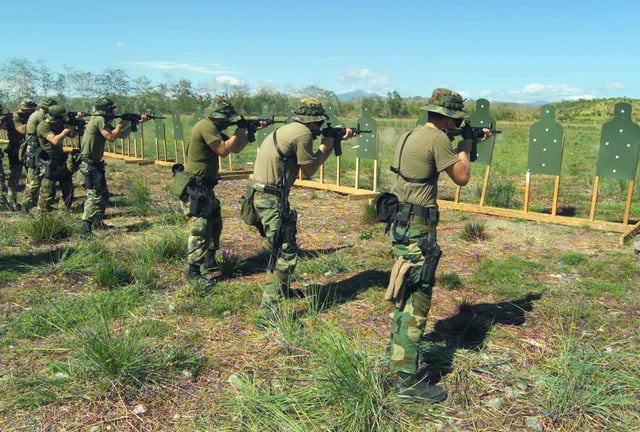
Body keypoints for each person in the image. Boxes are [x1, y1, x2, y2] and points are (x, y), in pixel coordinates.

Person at [384, 88, 492, 403]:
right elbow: (462, 177)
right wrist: (466, 146)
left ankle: (398, 360)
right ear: (448, 116)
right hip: (417, 228)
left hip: (401, 222)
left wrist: (462, 144)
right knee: (417, 301)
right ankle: (408, 383)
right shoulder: (438, 140)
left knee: (405, 294)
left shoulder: (411, 135)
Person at [249, 97, 355, 326]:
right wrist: (327, 143)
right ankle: (268, 314)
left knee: (283, 246)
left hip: (261, 194)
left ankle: (282, 291)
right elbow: (308, 170)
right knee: (284, 254)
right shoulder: (304, 135)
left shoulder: (286, 129)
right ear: (316, 121)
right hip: (271, 198)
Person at [182, 99, 261, 282]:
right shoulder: (206, 126)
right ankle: (193, 270)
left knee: (215, 223)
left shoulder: (215, 129)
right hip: (195, 186)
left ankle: (209, 260)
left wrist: (250, 131)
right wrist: (240, 130)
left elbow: (236, 148)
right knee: (200, 227)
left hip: (205, 186)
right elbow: (223, 150)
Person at [79, 97, 142, 235]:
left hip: (95, 163)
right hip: (89, 163)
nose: (113, 112)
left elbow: (121, 135)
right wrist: (122, 122)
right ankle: (86, 227)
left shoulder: (102, 120)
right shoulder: (99, 119)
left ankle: (97, 222)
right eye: (111, 109)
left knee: (104, 194)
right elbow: (111, 137)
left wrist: (132, 124)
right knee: (94, 195)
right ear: (105, 110)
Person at [36, 105, 77, 213]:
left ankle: (64, 211)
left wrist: (72, 126)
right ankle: (42, 215)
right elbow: (54, 141)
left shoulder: (59, 125)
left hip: (60, 160)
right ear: (57, 117)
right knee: (48, 191)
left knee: (68, 189)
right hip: (49, 161)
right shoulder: (43, 126)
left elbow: (73, 135)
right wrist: (65, 130)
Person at [22, 97, 58, 212]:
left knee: (34, 177)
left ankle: (29, 205)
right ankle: (27, 206)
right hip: (35, 150)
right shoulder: (41, 116)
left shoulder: (36, 114)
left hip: (33, 149)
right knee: (33, 179)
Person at [4, 98, 37, 210]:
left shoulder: (26, 116)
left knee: (32, 175)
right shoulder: (14, 116)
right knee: (15, 175)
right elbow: (22, 130)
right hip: (16, 149)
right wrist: (35, 121)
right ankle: (11, 200)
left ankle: (30, 200)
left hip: (27, 149)